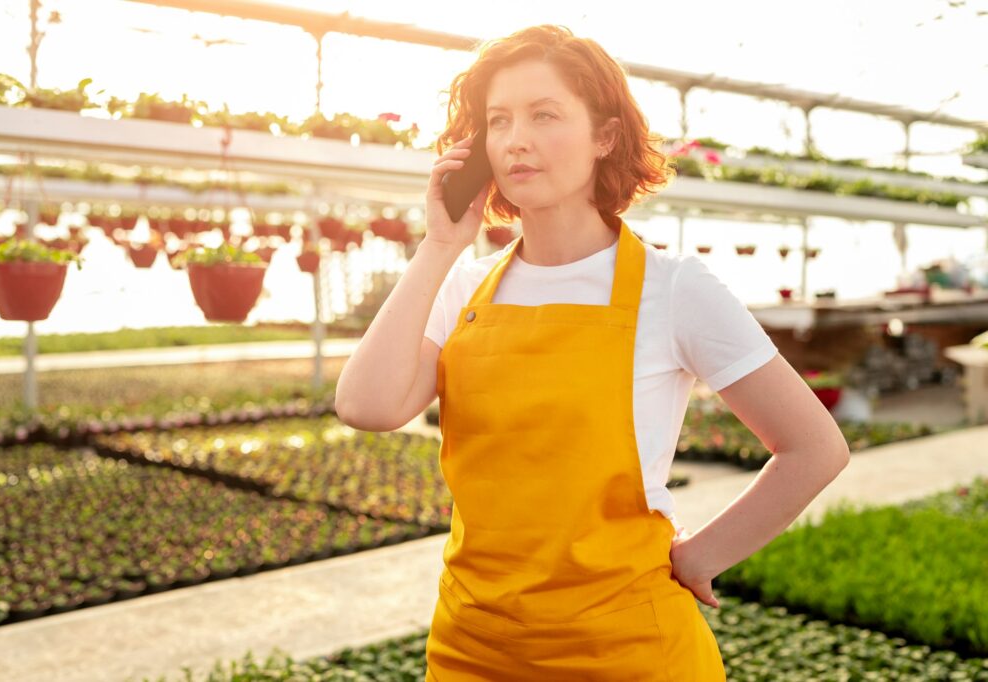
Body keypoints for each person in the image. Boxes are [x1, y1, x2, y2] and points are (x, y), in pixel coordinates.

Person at [335, 23, 851, 681]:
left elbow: (814, 447)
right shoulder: (461, 284)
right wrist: (439, 245)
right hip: (474, 650)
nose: (516, 138)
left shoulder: (674, 288)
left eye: (543, 114)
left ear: (604, 135)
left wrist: (701, 555)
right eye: (498, 120)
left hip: (629, 651)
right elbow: (365, 405)